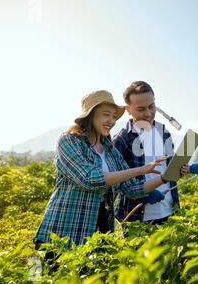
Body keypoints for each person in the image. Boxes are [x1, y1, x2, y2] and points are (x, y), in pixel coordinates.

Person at [34, 90, 169, 248]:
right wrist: (142, 170)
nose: (111, 121)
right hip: (63, 232)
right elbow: (91, 179)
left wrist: (163, 178)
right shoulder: (69, 141)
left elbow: (132, 188)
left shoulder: (111, 151)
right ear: (90, 115)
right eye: (106, 115)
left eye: (113, 116)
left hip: (100, 229)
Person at [113, 81, 198, 224]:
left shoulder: (163, 132)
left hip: (170, 211)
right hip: (137, 216)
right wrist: (142, 194)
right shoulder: (122, 139)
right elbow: (115, 180)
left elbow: (170, 167)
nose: (148, 113)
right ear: (128, 109)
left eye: (151, 106)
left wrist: (190, 168)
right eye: (141, 109)